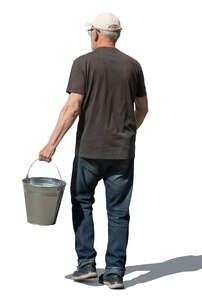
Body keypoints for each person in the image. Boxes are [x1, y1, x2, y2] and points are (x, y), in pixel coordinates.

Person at [38, 12, 148, 289]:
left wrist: (51, 144)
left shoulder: (83, 64)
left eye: (90, 32)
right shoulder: (133, 66)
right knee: (119, 212)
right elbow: (143, 108)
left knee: (82, 203)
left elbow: (73, 106)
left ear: (96, 34)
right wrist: (127, 133)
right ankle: (114, 273)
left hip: (88, 151)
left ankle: (86, 264)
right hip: (122, 154)